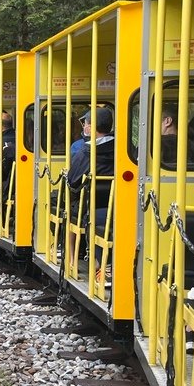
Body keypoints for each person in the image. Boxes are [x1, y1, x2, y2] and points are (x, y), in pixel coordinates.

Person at [67, 107, 115, 284]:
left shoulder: (85, 152)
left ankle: (71, 259)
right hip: (116, 205)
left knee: (69, 210)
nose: (84, 128)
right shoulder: (124, 150)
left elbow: (72, 181)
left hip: (88, 207)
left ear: (91, 126)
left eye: (86, 124)